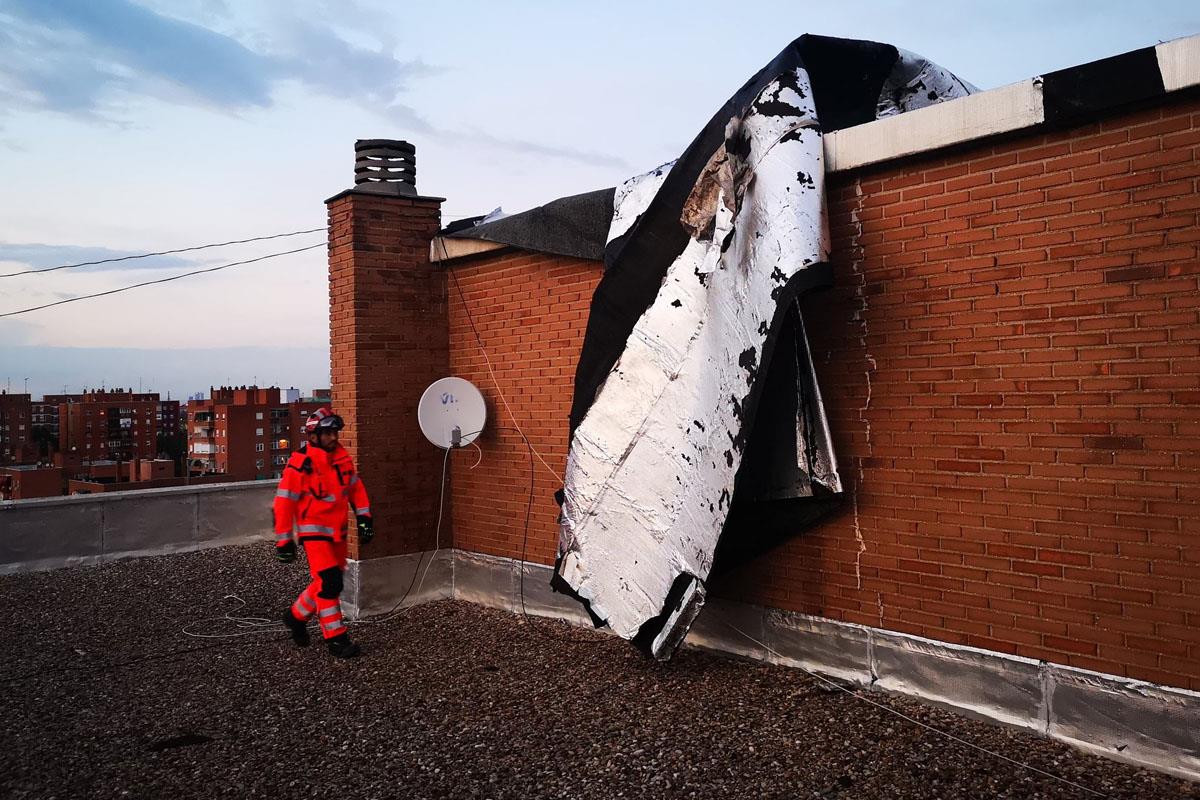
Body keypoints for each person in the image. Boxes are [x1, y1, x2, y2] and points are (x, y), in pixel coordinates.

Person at [272, 406, 374, 658]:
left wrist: (364, 517)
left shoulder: (341, 458)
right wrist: (284, 541)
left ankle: (295, 616)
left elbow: (355, 488)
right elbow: (284, 502)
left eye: (335, 433)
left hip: (337, 534)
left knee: (323, 582)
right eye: (327, 433)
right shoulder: (300, 464)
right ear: (314, 435)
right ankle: (336, 639)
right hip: (314, 534)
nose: (333, 438)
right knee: (330, 584)